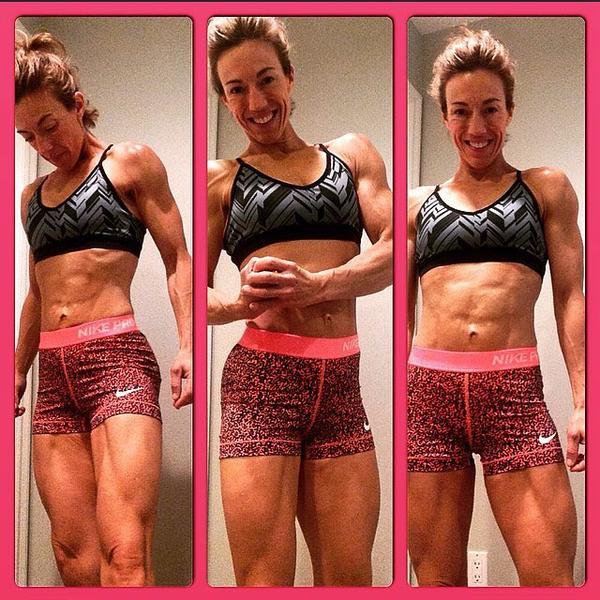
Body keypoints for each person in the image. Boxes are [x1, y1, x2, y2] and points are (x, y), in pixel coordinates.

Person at [207, 17, 393, 587]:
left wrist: (321, 285)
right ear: (224, 98)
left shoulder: (352, 156)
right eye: (236, 89)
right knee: (264, 579)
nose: (255, 102)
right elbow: (189, 293)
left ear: (290, 77)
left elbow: (400, 250)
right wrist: (236, 305)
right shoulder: (220, 180)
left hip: (341, 385)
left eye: (266, 80)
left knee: (349, 577)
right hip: (261, 384)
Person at [14, 31, 192, 587]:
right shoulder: (31, 199)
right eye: (27, 136)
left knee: (126, 552)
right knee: (73, 555)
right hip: (54, 375)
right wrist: (16, 369)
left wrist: (188, 345)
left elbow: (179, 259)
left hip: (116, 363)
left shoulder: (129, 165)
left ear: (76, 104)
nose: (44, 145)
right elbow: (38, 293)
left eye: (49, 125)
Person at [407, 28, 584, 587]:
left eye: (490, 109)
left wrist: (584, 401)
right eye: (461, 112)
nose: (477, 127)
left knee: (550, 579)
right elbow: (403, 315)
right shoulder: (417, 206)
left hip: (514, 392)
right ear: (444, 117)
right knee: (437, 583)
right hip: (429, 397)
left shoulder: (546, 189)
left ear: (509, 110)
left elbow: (571, 297)